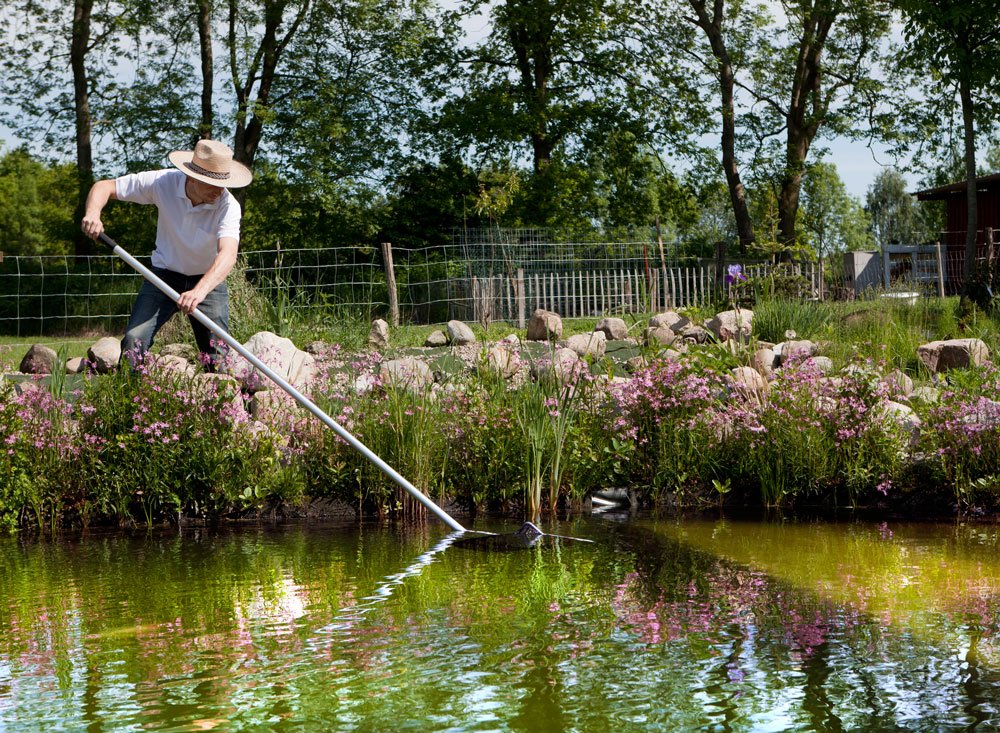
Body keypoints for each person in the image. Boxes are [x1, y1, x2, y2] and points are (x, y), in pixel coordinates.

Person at [81, 138, 253, 370]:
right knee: (134, 340)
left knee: (218, 355)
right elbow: (105, 186)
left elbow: (228, 254)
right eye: (212, 183)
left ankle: (221, 405)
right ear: (193, 177)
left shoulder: (228, 205)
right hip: (162, 277)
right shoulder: (163, 182)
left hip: (206, 280)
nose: (219, 190)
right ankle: (130, 400)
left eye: (223, 183)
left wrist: (199, 292)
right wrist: (93, 213)